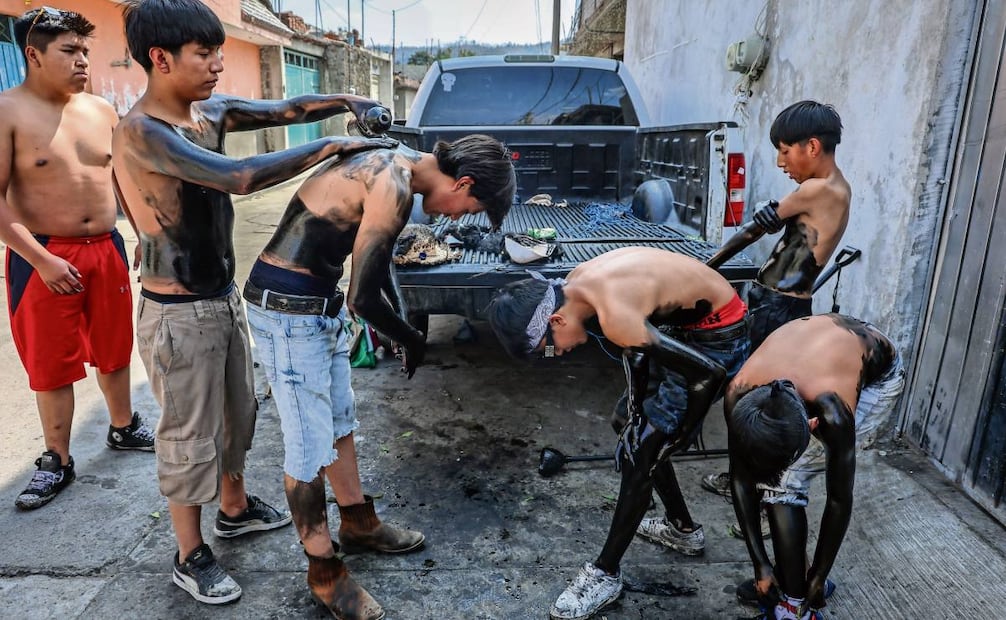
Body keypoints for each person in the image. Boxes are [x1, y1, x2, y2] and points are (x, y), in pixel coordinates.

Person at [112, 0, 398, 606]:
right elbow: (237, 177)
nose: (219, 64)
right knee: (189, 436)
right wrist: (327, 146)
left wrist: (348, 101)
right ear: (160, 59)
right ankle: (188, 554)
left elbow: (286, 107)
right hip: (176, 312)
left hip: (221, 297)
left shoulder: (207, 110)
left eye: (220, 50)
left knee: (238, 417)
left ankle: (234, 509)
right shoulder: (142, 133)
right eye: (205, 53)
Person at [244, 133, 515, 619]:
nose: (457, 218)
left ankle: (358, 523)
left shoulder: (400, 167)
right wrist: (412, 338)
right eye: (469, 208)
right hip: (287, 311)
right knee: (308, 445)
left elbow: (374, 260)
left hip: (313, 303)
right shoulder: (392, 182)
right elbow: (362, 299)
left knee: (340, 420)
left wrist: (397, 326)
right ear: (465, 182)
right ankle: (323, 571)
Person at [487, 247, 750, 620]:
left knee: (641, 454)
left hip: (718, 335)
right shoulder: (574, 286)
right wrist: (637, 412)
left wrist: (686, 432)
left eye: (550, 350)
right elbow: (636, 353)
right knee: (627, 426)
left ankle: (605, 572)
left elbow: (708, 374)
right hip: (685, 325)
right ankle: (682, 529)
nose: (557, 356)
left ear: (557, 321)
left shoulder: (612, 315)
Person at [0, 7, 157, 511]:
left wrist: (142, 233)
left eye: (85, 50)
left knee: (115, 348)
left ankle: (123, 426)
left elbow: (120, 179)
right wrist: (40, 259)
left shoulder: (100, 111)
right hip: (44, 254)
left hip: (105, 248)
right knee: (53, 364)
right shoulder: (8, 111)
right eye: (69, 51)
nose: (82, 60)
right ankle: (57, 459)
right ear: (33, 55)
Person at [702, 100, 851, 499]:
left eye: (785, 150)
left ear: (812, 147)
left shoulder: (819, 190)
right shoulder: (830, 189)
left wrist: (706, 266)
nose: (781, 161)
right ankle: (747, 475)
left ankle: (755, 481)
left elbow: (752, 231)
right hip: (777, 304)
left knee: (747, 394)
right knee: (754, 392)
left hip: (777, 308)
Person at [725, 314, 905, 620]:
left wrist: (820, 574)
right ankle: (787, 578)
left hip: (877, 372)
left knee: (783, 487)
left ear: (811, 426)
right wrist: (761, 564)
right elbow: (740, 479)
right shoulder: (738, 395)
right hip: (822, 345)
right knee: (774, 484)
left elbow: (839, 499)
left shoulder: (833, 413)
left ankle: (794, 605)